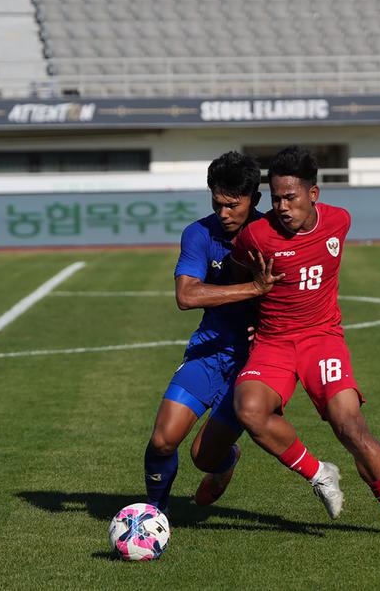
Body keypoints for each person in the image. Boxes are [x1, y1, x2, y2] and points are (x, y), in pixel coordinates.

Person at [230, 146, 380, 539]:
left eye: (291, 197)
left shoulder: (339, 222)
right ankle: (319, 473)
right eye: (276, 199)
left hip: (322, 339)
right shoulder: (255, 235)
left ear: (312, 194)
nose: (282, 207)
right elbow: (240, 276)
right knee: (250, 411)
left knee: (350, 426)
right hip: (274, 342)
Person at [143, 151, 281, 514]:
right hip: (208, 352)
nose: (224, 213)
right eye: (217, 203)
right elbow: (186, 295)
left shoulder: (273, 238)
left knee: (203, 458)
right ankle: (155, 514)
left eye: (233, 205)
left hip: (255, 366)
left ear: (255, 199)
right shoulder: (199, 233)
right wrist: (253, 289)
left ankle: (226, 462)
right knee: (161, 441)